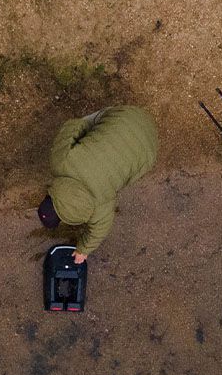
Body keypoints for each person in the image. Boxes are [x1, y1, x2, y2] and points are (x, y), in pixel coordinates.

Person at [38, 105, 158, 263]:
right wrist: (88, 133)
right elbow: (72, 126)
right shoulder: (59, 162)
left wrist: (83, 250)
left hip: (150, 150)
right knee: (88, 126)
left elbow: (98, 232)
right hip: (127, 116)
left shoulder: (100, 207)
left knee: (125, 176)